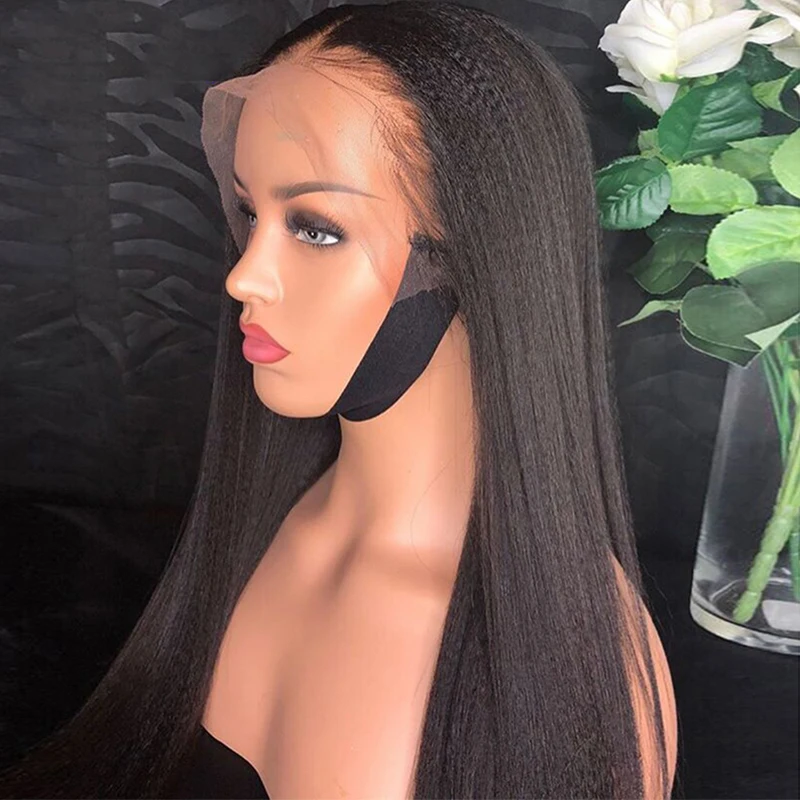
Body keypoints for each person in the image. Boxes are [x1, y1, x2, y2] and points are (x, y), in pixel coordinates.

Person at [0, 3, 678, 798]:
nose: (244, 277)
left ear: (476, 258)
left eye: (317, 228)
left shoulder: (567, 673)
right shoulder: (262, 522)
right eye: (250, 212)